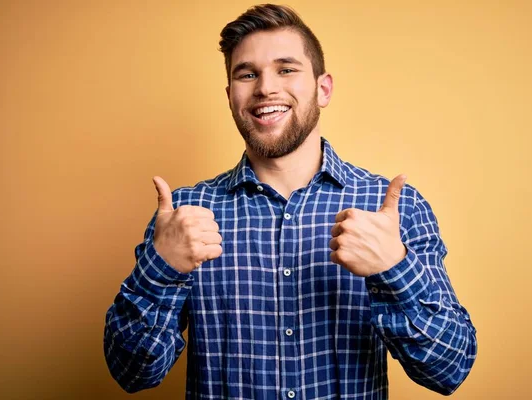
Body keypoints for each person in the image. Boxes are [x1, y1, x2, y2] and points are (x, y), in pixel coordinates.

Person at [104, 4, 477, 399]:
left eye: (286, 69)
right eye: (247, 74)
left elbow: (448, 370)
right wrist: (160, 270)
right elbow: (132, 373)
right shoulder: (183, 216)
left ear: (323, 88)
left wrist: (393, 268)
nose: (266, 88)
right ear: (231, 96)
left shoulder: (391, 209)